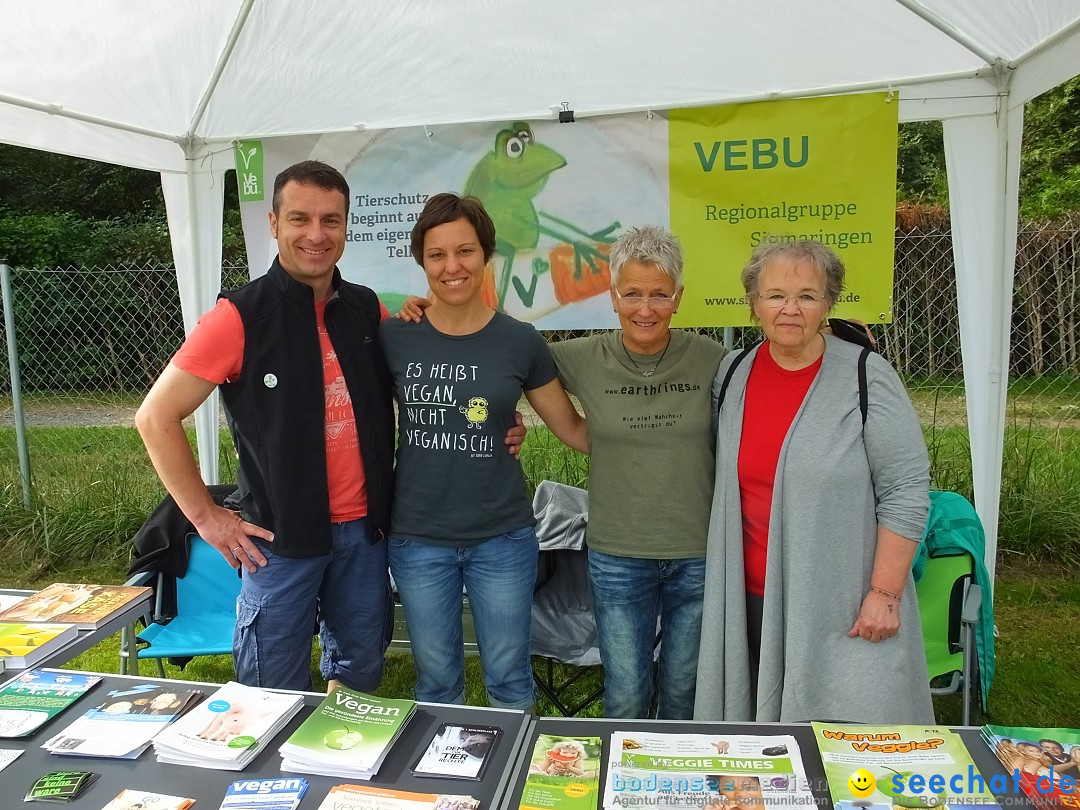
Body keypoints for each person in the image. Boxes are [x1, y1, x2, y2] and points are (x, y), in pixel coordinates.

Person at [137, 162, 528, 692]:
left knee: (357, 681)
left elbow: (434, 385)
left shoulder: (366, 310)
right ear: (274, 223)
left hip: (365, 537)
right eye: (300, 218)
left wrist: (504, 418)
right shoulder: (239, 316)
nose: (316, 234)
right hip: (278, 541)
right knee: (269, 693)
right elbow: (155, 417)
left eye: (331, 219)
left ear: (347, 225)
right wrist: (206, 518)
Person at [695, 239, 934, 724]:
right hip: (748, 596)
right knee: (763, 756)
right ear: (753, 303)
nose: (790, 309)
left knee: (848, 740)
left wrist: (885, 593)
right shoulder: (733, 374)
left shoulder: (868, 376)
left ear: (828, 304)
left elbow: (905, 489)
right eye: (775, 294)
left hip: (838, 600)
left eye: (807, 295)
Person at [381, 192, 587, 712]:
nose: (452, 267)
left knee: (510, 680)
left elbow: (573, 430)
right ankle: (441, 789)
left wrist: (658, 439)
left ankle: (512, 785)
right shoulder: (393, 337)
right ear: (421, 261)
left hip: (502, 538)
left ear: (487, 253)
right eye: (437, 255)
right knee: (435, 683)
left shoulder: (520, 341)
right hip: (418, 538)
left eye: (465, 251)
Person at [548, 226, 727, 719]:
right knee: (625, 692)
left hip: (698, 553)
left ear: (678, 298)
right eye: (632, 294)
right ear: (612, 296)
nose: (645, 308)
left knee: (684, 689)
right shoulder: (583, 357)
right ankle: (627, 788)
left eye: (659, 295)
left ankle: (676, 789)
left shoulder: (713, 360)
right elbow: (503, 357)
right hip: (618, 553)